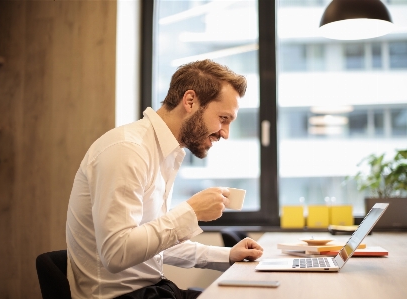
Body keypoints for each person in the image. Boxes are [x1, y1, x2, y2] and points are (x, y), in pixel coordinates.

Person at [66, 59, 264, 299]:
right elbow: (116, 253)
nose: (225, 133)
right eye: (223, 118)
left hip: (151, 291)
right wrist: (190, 213)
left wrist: (227, 255)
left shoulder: (165, 152)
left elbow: (152, 245)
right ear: (190, 101)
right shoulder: (127, 150)